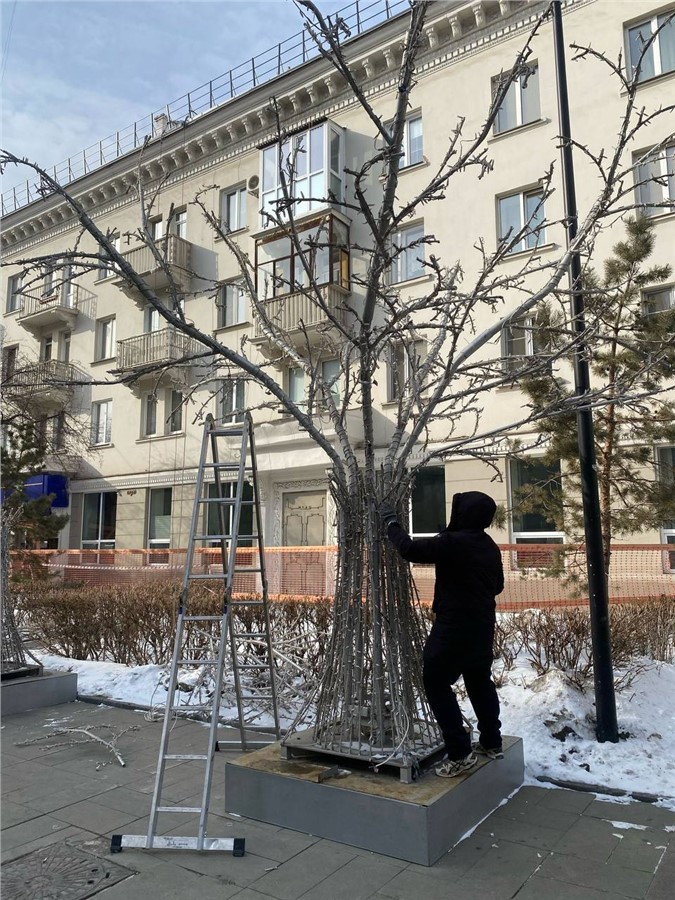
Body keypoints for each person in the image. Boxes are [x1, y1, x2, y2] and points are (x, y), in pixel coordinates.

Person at [380, 491, 504, 778]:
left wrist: (391, 523)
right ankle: (491, 741)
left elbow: (409, 549)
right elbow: (497, 585)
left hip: (454, 625)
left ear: (464, 513)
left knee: (435, 680)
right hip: (483, 624)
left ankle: (459, 753)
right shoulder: (489, 545)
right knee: (479, 681)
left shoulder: (452, 542)